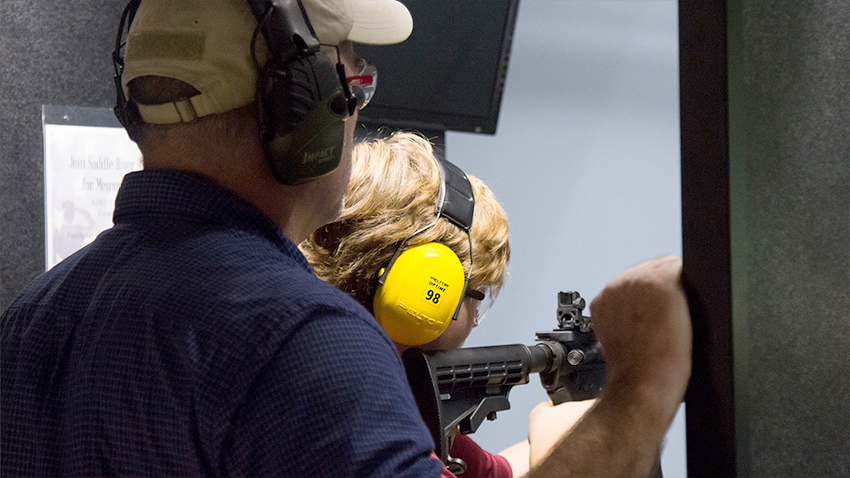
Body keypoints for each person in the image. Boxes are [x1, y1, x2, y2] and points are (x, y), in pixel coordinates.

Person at [1, 0, 692, 477]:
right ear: (302, 108)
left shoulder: (32, 319)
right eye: (352, 84)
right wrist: (642, 386)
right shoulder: (296, 338)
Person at [301, 130, 597, 478]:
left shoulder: (357, 372)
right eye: (477, 295)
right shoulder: (356, 412)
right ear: (428, 287)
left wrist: (572, 426)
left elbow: (497, 473)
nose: (474, 321)